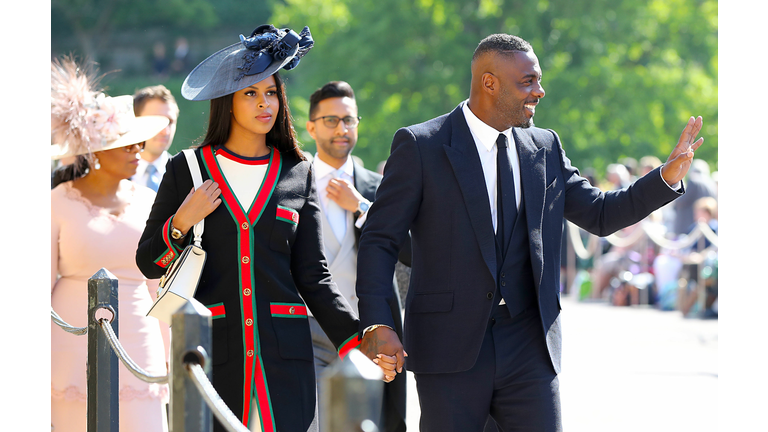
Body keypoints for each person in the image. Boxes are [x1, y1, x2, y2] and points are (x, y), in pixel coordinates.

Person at [356, 33, 703, 431]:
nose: (540, 91)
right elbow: (379, 241)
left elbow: (601, 214)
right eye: (528, 81)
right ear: (489, 83)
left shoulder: (545, 146)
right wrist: (379, 324)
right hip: (447, 348)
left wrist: (663, 179)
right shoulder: (421, 145)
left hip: (530, 347)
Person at [135, 25, 385, 432]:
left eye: (270, 93)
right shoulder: (188, 170)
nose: (263, 102)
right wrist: (182, 220)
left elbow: (313, 276)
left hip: (286, 361)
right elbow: (148, 261)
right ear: (227, 103)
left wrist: (358, 340)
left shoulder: (298, 173)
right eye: (250, 93)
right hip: (212, 353)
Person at [50, 57, 171, 432]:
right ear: (96, 152)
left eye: (139, 146)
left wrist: (169, 349)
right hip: (69, 342)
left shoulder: (150, 201)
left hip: (140, 336)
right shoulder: (56, 201)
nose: (138, 154)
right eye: (127, 147)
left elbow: (159, 283)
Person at [305, 81, 409, 432]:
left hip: (370, 332)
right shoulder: (290, 184)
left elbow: (410, 250)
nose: (341, 129)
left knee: (370, 424)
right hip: (308, 331)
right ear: (311, 126)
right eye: (331, 120)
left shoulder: (379, 187)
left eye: (349, 120)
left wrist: (363, 208)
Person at [131, 84, 180, 191]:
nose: (165, 131)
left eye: (170, 122)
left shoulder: (184, 174)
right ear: (135, 121)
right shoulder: (114, 175)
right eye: (157, 121)